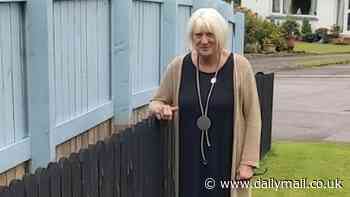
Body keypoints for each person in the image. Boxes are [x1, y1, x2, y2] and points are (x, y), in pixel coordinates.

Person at [148, 8, 261, 197]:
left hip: (226, 160)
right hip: (188, 161)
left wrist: (248, 163)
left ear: (221, 35)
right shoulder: (178, 67)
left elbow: (253, 116)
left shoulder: (240, 67)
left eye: (210, 34)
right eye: (198, 35)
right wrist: (159, 108)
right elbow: (156, 101)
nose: (204, 41)